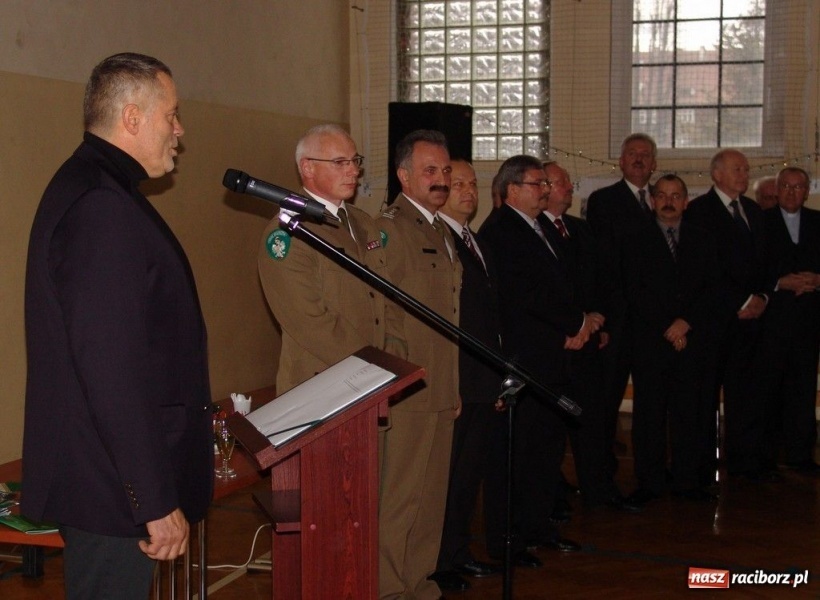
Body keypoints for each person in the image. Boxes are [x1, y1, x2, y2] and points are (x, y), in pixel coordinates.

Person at [22, 53, 211, 599]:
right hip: (110, 486)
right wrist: (152, 498)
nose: (179, 130)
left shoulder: (101, 188)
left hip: (107, 478)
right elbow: (111, 369)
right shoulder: (101, 206)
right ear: (132, 118)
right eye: (171, 115)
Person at [480, 155, 597, 563]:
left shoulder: (539, 226)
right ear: (512, 189)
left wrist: (581, 321)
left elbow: (565, 282)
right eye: (537, 184)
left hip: (553, 356)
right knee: (518, 452)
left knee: (546, 450)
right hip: (526, 358)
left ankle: (539, 526)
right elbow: (524, 296)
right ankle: (509, 539)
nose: (545, 190)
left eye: (547, 184)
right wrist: (573, 323)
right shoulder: (501, 230)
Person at [376, 129, 462, 600]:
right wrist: (395, 382)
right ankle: (389, 589)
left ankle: (419, 583)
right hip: (408, 386)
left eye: (445, 170)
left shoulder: (440, 229)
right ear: (404, 176)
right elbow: (383, 313)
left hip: (441, 384)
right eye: (430, 170)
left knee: (431, 500)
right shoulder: (390, 229)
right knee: (401, 498)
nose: (441, 179)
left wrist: (453, 385)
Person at [257, 124, 392, 393]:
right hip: (322, 384)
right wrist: (373, 365)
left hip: (375, 378)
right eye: (340, 162)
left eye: (355, 161)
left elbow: (388, 297)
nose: (353, 171)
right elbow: (311, 322)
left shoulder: (364, 222)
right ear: (308, 168)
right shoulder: (288, 232)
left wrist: (394, 353)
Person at [541, 161, 641, 514]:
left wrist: (602, 323)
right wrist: (572, 325)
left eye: (568, 181)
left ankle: (599, 489)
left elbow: (602, 280)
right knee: (550, 426)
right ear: (543, 187)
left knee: (592, 420)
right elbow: (546, 292)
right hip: (558, 345)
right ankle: (552, 495)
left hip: (588, 344)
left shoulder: (580, 229)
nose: (569, 186)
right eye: (561, 181)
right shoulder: (535, 230)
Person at [431, 160, 506, 592]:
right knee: (448, 476)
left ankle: (458, 552)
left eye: (473, 184)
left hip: (482, 375)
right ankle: (439, 561)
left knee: (468, 476)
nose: (468, 191)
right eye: (457, 183)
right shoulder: (437, 241)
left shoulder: (474, 241)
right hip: (458, 377)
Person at [622, 174, 719, 505]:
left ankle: (686, 481)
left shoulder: (704, 239)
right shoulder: (635, 239)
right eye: (662, 195)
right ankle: (649, 482)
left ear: (686, 202)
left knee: (688, 413)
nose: (668, 201)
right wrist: (668, 326)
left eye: (676, 196)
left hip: (692, 340)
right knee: (649, 414)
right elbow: (634, 290)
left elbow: (711, 288)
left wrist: (685, 323)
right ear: (652, 201)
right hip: (651, 341)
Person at [683, 149, 770, 481]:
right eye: (737, 169)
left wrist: (762, 297)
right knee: (705, 396)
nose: (744, 174)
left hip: (751, 321)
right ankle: (701, 467)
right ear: (717, 174)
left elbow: (765, 262)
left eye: (746, 169)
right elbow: (706, 269)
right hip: (715, 320)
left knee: (747, 393)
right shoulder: (699, 212)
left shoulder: (753, 210)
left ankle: (745, 462)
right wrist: (740, 300)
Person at [584, 133, 658, 491]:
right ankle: (601, 476)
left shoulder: (664, 199)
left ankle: (651, 471)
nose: (639, 159)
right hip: (617, 319)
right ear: (621, 162)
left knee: (652, 401)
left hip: (654, 323)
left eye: (645, 154)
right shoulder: (604, 201)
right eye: (632, 154)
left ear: (654, 163)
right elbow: (604, 263)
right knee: (606, 400)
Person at [752, 167, 820, 473]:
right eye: (786, 187)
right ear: (777, 190)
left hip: (808, 321)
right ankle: (764, 457)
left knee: (803, 389)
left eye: (798, 187)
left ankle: (800, 455)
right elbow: (751, 269)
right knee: (767, 389)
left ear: (807, 192)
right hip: (771, 322)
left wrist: (817, 280)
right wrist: (780, 282)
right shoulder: (760, 222)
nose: (792, 192)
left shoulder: (818, 222)